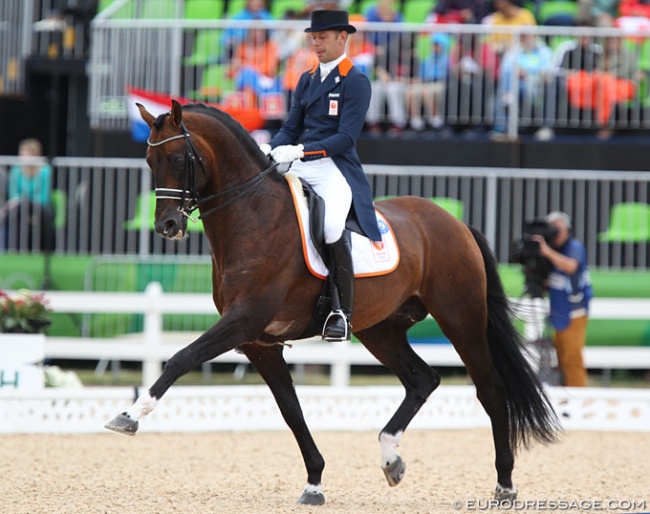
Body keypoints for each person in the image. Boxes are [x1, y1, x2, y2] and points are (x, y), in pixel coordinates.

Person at [260, 10, 382, 341]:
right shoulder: (306, 78)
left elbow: (346, 138)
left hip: (332, 165)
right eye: (314, 37)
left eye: (323, 37)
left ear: (342, 37)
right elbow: (290, 127)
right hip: (297, 160)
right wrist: (268, 149)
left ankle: (341, 312)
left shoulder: (356, 81)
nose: (317, 43)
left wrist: (301, 151)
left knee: (331, 227)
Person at [531, 211, 593, 387]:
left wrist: (546, 251)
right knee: (561, 358)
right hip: (559, 312)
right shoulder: (554, 251)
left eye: (557, 229)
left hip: (574, 311)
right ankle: (566, 397)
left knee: (572, 359)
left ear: (567, 229)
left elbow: (571, 267)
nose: (555, 233)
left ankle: (579, 399)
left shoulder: (574, 247)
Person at [0, 138, 55, 252]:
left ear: (34, 154)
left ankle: (48, 251)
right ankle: (6, 250)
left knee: (45, 215)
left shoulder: (45, 170)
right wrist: (23, 205)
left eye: (25, 153)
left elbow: (44, 196)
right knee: (8, 215)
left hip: (40, 206)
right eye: (21, 153)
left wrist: (30, 209)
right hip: (19, 205)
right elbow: (14, 194)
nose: (21, 156)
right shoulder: (16, 170)